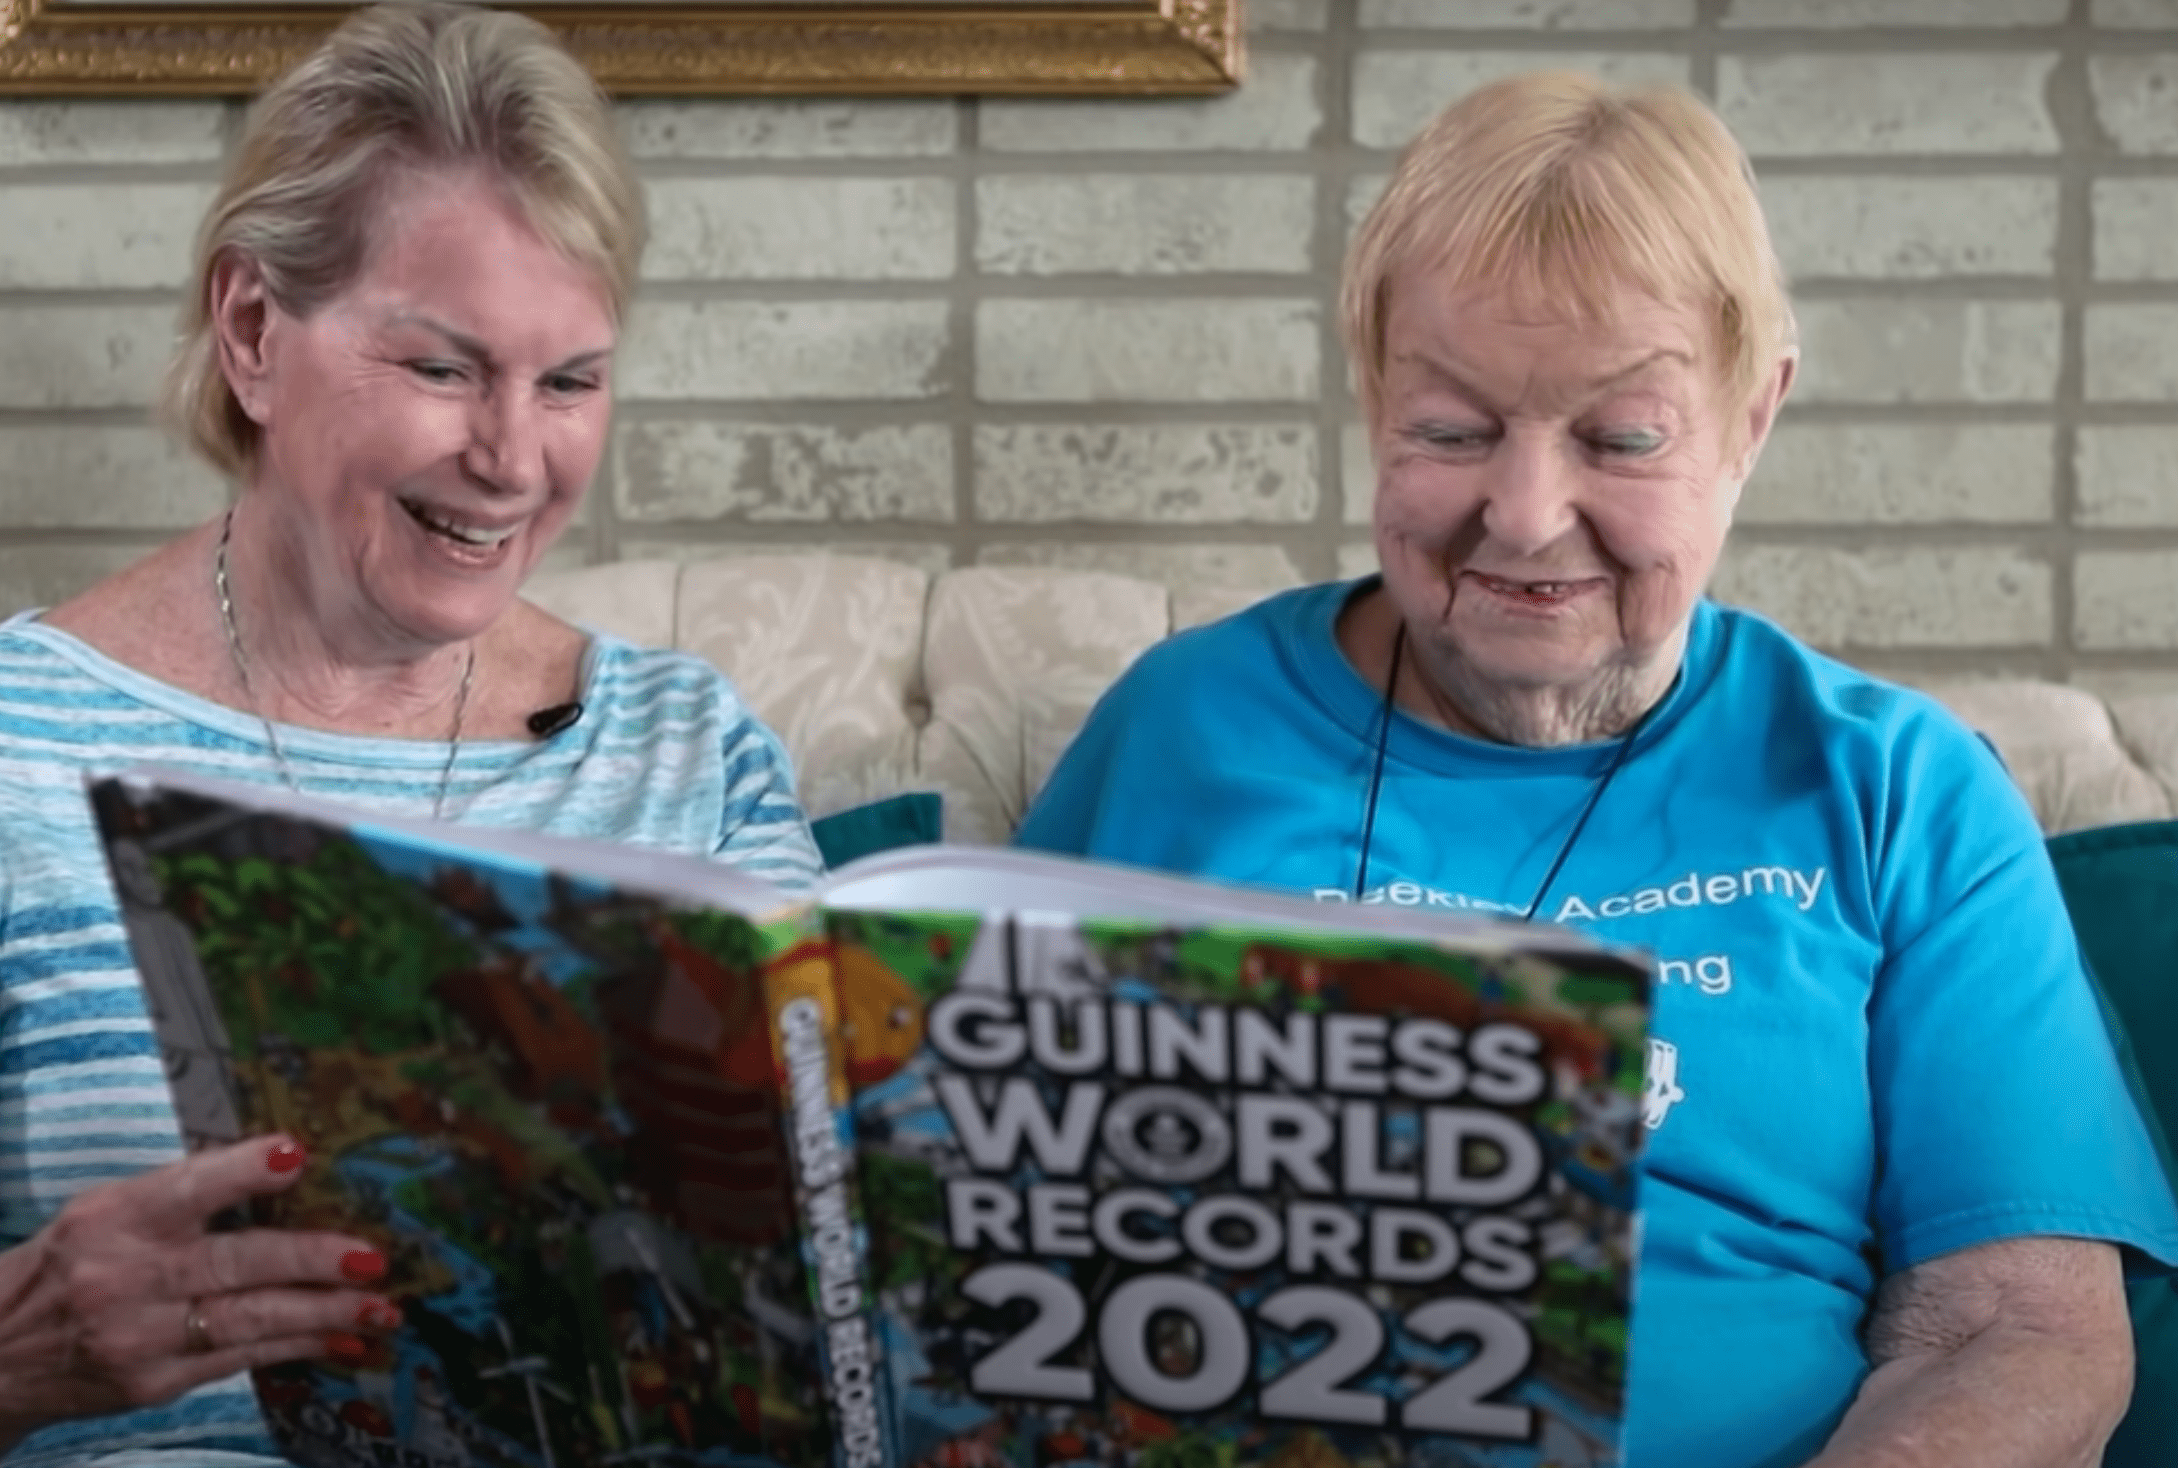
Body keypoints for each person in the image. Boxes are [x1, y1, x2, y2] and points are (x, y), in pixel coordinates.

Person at [1017, 71, 2178, 1468]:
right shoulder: (1177, 728)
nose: (1521, 514)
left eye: (1619, 438)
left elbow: (2018, 1333)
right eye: (1447, 430)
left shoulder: (1897, 790)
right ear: (1369, 395)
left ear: (1750, 418)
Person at [0, 4, 821, 1460]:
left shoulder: (685, 754)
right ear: (252, 329)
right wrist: (22, 1352)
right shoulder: (18, 743)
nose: (512, 460)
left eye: (569, 381)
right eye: (443, 369)